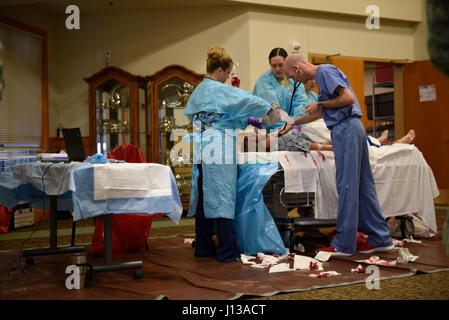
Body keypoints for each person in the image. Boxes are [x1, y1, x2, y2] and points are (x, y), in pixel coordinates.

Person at [280, 54, 394, 256]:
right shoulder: (325, 76)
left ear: (297, 68)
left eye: (293, 77)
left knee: (347, 185)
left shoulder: (324, 71)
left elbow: (347, 98)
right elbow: (319, 113)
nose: (295, 82)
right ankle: (380, 237)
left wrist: (320, 104)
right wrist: (293, 122)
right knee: (363, 186)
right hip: (352, 128)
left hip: (346, 130)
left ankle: (344, 244)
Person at [184, 46, 272, 262]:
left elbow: (218, 115)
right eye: (229, 72)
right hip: (220, 145)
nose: (228, 78)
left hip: (203, 146)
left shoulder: (200, 89)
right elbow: (249, 101)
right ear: (221, 70)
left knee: (205, 197)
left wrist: (244, 120)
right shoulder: (220, 89)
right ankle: (227, 250)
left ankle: (203, 246)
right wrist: (270, 109)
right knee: (224, 195)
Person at [252, 47, 307, 132]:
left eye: (281, 65)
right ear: (270, 65)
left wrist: (296, 122)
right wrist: (286, 127)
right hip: (272, 129)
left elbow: (301, 103)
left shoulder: (294, 79)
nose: (277, 69)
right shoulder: (264, 81)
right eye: (274, 66)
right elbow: (272, 111)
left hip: (294, 126)